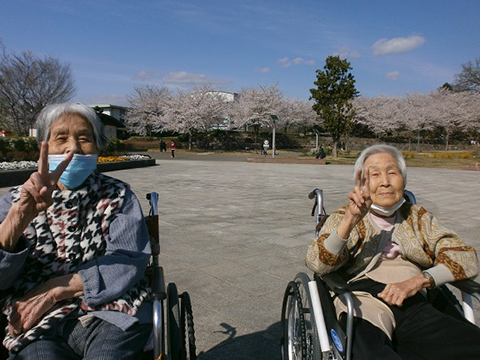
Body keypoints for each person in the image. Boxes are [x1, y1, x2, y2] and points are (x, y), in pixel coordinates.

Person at [0, 103, 152, 359]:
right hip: (35, 319)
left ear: (98, 147)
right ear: (43, 147)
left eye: (84, 138)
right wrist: (16, 221)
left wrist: (57, 288)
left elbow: (129, 259)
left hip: (112, 311)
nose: (73, 147)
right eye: (61, 138)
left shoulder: (118, 196)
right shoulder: (15, 201)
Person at [306, 144, 480, 359]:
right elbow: (317, 263)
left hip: (412, 297)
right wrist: (351, 220)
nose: (385, 182)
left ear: (403, 180)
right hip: (362, 300)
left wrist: (420, 281)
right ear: (362, 181)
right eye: (375, 174)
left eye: (392, 172)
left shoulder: (418, 218)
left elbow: (466, 257)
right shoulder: (344, 216)